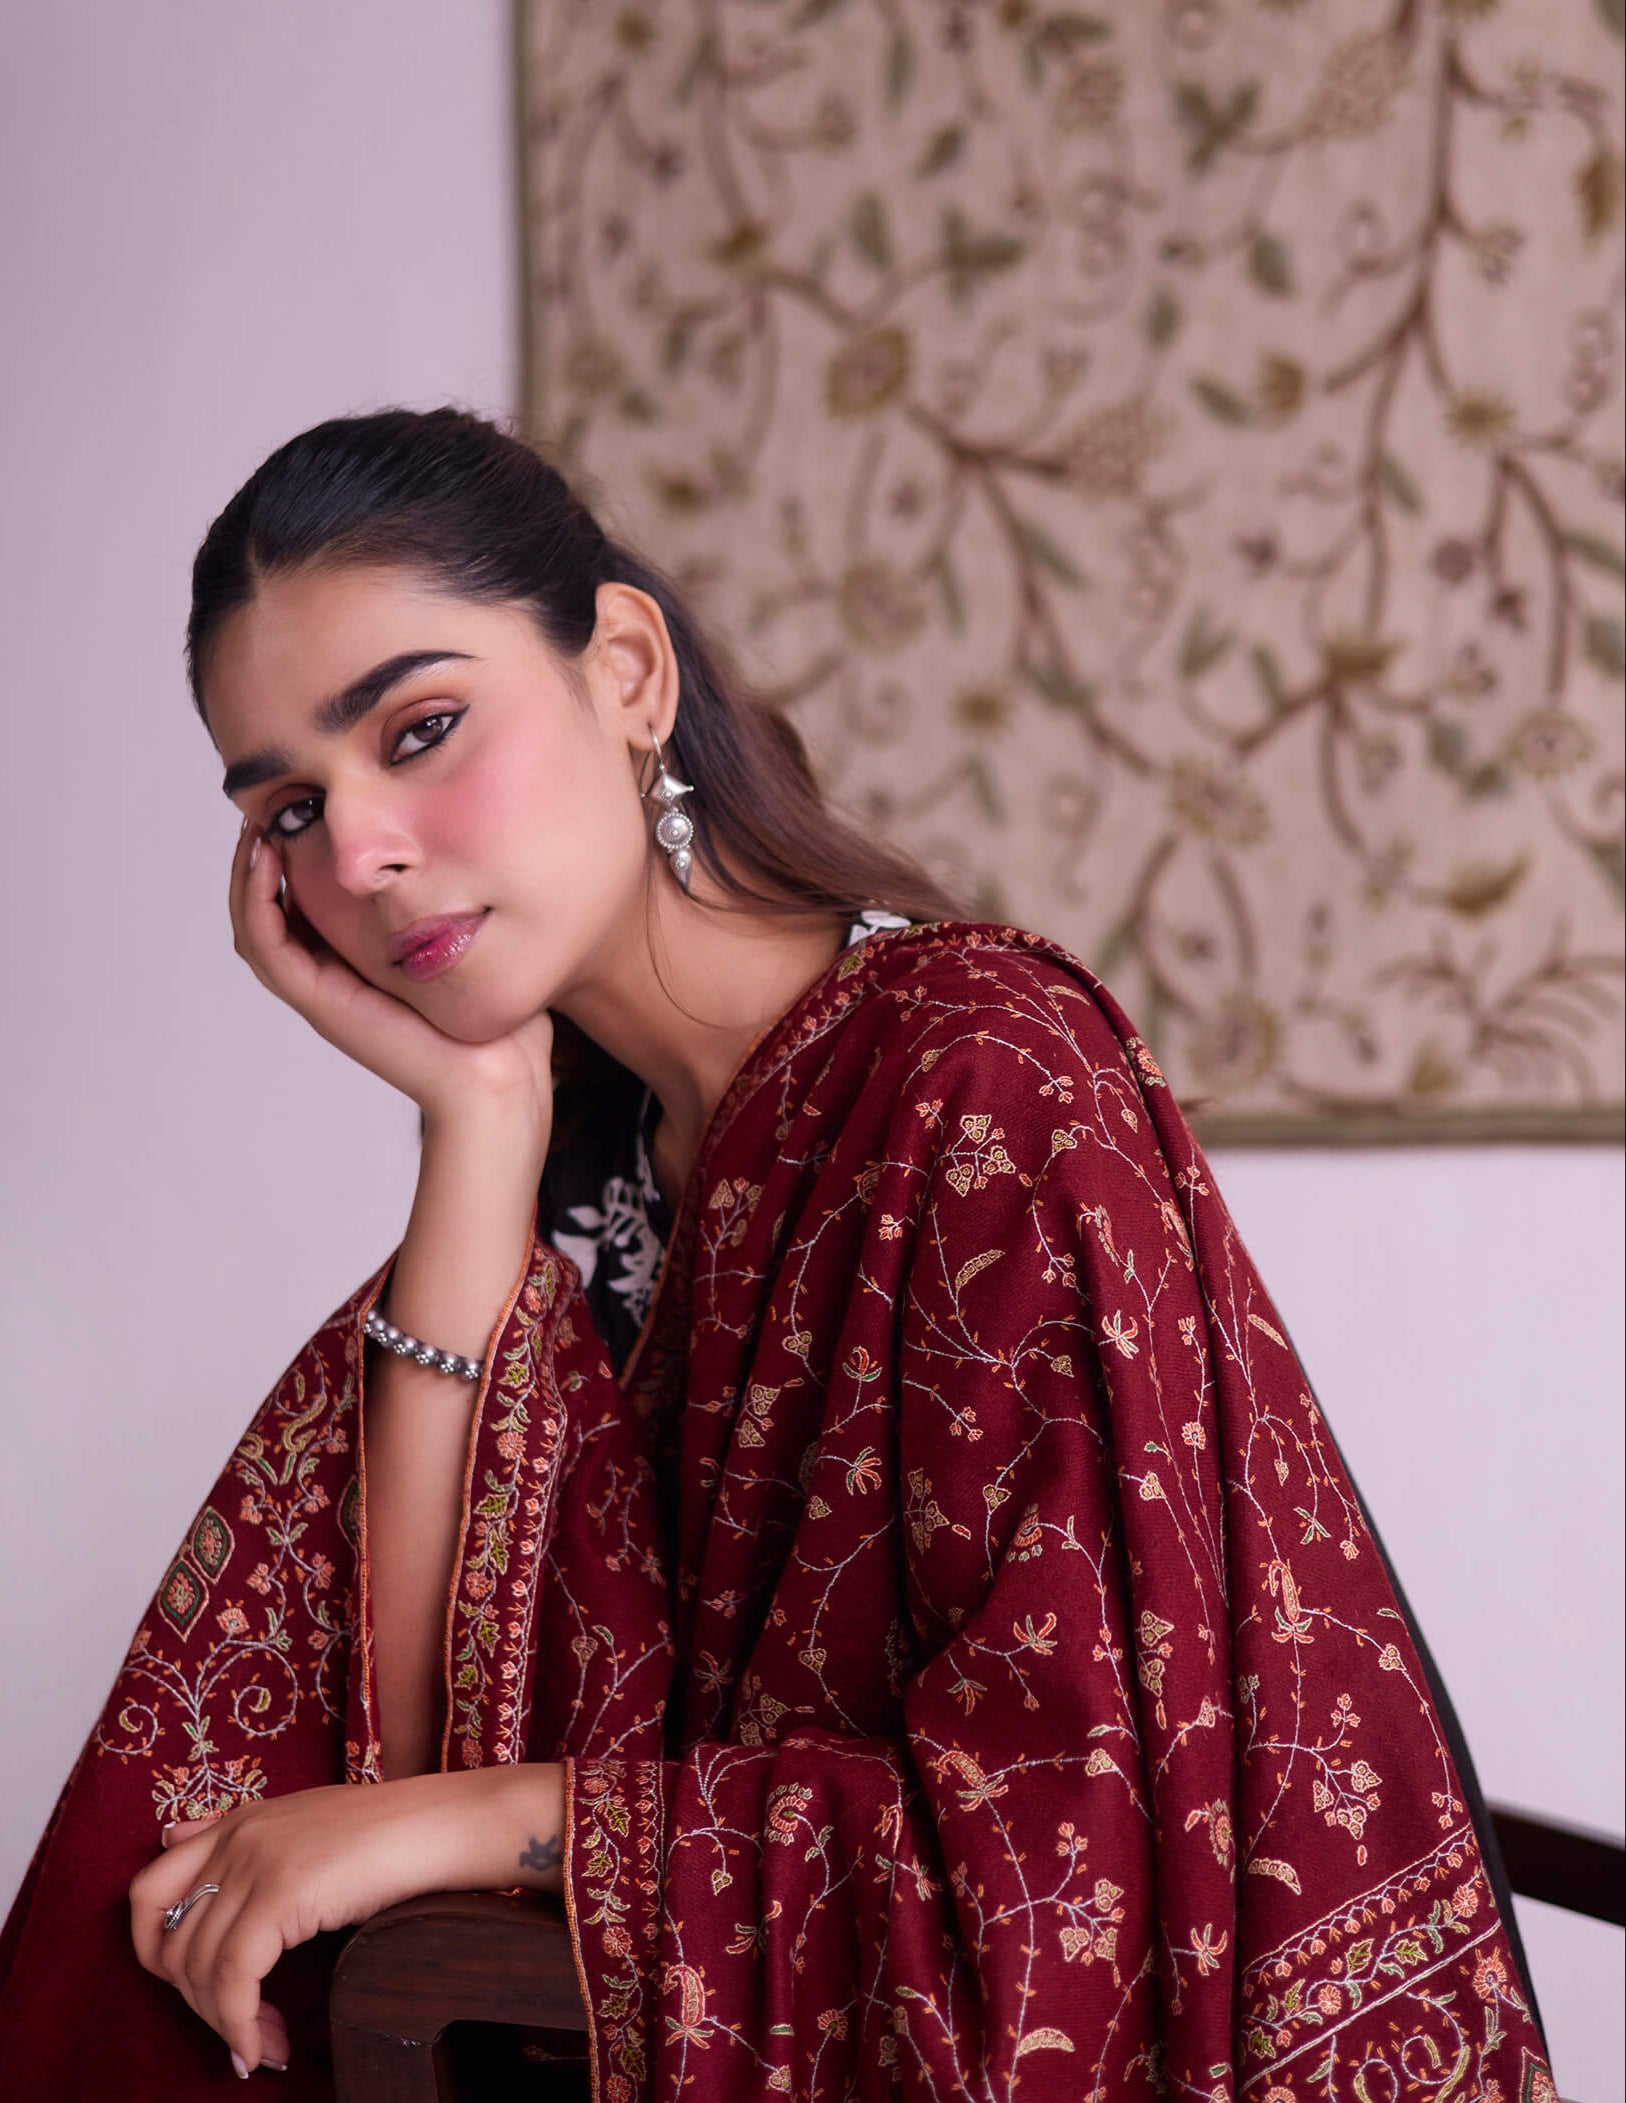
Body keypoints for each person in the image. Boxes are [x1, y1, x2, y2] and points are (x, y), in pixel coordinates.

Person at [0, 408, 1553, 2100]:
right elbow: (407, 1727)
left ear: (626, 670)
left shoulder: (977, 1082)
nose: (359, 851)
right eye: (289, 806)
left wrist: (486, 1820)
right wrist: (476, 1124)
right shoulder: (583, 1153)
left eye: (422, 728)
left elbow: (1064, 1850)